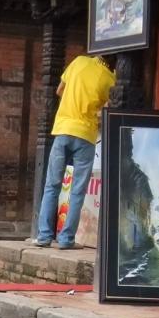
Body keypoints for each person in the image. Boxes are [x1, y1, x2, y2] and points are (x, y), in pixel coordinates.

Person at [33, 54, 114, 249]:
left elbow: (59, 90)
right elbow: (107, 108)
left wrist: (72, 103)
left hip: (63, 129)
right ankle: (66, 239)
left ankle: (44, 236)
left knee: (52, 185)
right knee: (77, 191)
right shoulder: (109, 78)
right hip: (86, 135)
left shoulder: (78, 62)